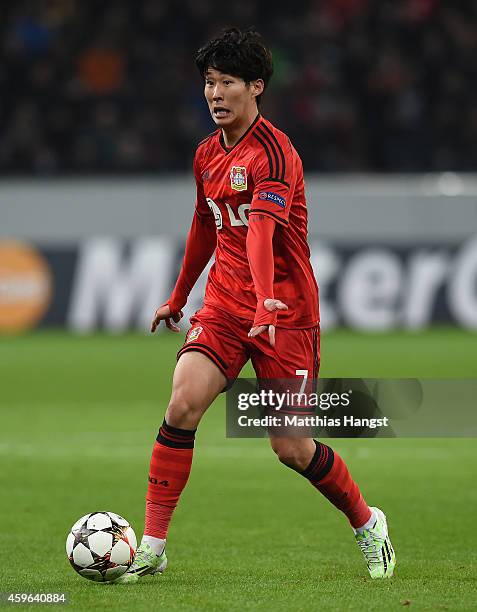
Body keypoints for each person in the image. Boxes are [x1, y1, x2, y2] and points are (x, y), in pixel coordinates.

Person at [116, 27, 395, 584]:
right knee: (183, 403)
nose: (216, 95)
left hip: (284, 312)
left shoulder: (275, 152)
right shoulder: (205, 155)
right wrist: (177, 296)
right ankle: (152, 544)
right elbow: (205, 224)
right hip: (224, 304)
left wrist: (267, 298)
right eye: (209, 84)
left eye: (228, 84)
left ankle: (367, 522)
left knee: (291, 447)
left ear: (257, 87)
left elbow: (263, 231)